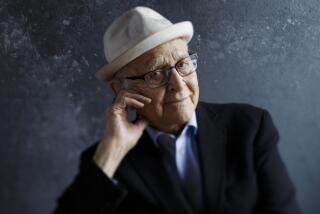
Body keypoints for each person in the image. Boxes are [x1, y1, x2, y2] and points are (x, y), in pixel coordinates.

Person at [54, 6, 301, 214]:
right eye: (156, 74)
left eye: (183, 64)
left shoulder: (249, 126)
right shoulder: (106, 163)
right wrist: (112, 151)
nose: (178, 84)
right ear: (120, 89)